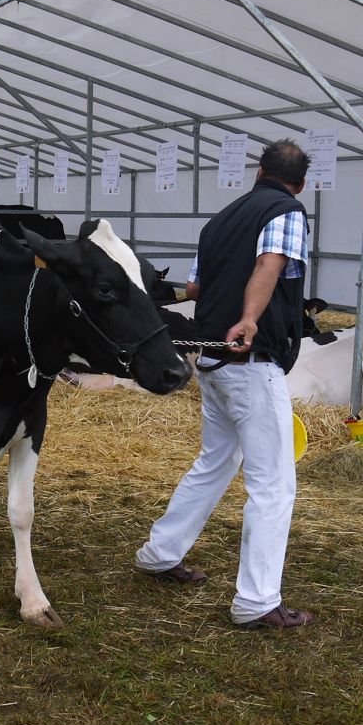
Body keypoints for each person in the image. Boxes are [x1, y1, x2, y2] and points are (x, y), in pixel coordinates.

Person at [134, 139, 315, 630]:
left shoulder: (218, 222)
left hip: (211, 359)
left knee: (216, 461)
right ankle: (257, 600)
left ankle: (160, 553)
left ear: (258, 172)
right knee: (273, 485)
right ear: (301, 184)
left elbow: (195, 288)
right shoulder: (287, 211)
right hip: (250, 359)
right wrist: (250, 317)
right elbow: (269, 265)